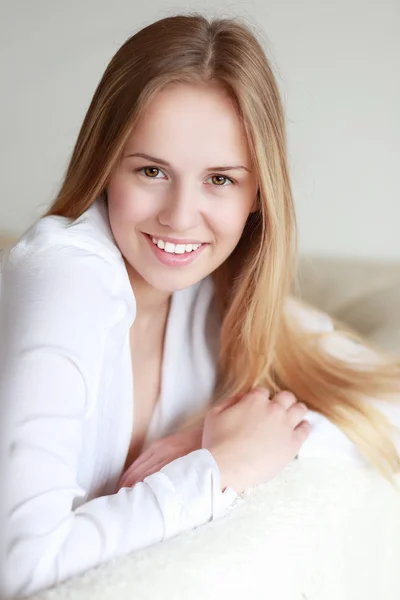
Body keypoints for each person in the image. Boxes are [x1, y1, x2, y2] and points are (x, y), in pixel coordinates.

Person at [1, 13, 399, 599]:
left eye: (219, 179)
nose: (181, 217)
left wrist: (203, 440)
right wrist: (217, 470)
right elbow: (23, 565)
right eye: (152, 170)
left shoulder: (211, 289)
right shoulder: (67, 276)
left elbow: (384, 403)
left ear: (258, 193)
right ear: (106, 166)